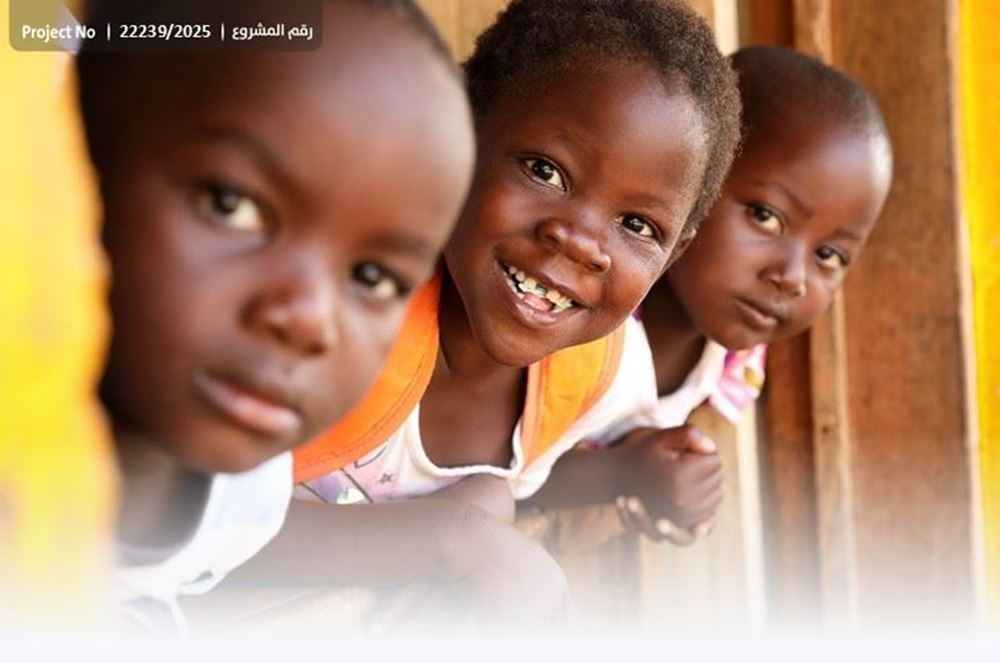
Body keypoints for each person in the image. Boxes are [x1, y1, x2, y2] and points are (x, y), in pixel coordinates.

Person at [249, 0, 741, 628]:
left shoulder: (596, 375)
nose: (581, 242)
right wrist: (452, 538)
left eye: (637, 225)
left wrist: (622, 473)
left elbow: (522, 481)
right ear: (462, 133)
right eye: (546, 171)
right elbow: (151, 523)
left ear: (675, 254)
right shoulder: (343, 302)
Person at [76, 0, 475, 631]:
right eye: (232, 206)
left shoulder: (247, 501)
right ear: (74, 161)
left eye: (372, 278)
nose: (308, 318)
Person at [529, 46, 894, 544]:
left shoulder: (733, 363)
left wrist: (669, 477)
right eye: (766, 216)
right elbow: (479, 473)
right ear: (687, 183)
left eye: (829, 255)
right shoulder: (569, 316)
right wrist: (621, 475)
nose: (793, 277)